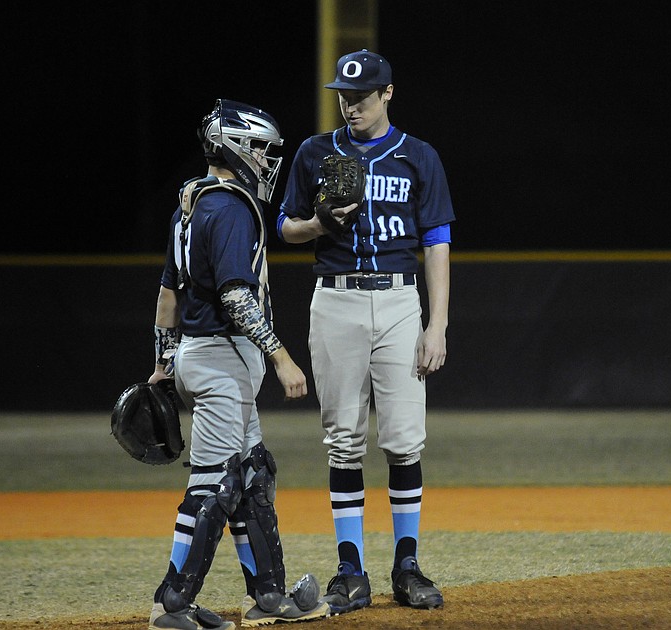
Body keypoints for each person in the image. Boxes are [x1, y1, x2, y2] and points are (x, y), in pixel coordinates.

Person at [277, 49, 455, 614]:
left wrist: (438, 323)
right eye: (343, 95)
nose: (349, 104)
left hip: (401, 299)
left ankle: (407, 565)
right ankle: (350, 569)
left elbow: (437, 242)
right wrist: (318, 224)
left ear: (388, 94)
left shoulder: (419, 156)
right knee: (344, 439)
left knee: (404, 439)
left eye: (361, 95)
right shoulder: (314, 152)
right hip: (336, 300)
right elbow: (285, 226)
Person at [147, 99, 330, 630]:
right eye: (260, 149)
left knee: (252, 475)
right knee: (214, 485)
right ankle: (171, 602)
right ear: (233, 146)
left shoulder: (193, 202)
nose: (267, 160)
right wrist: (283, 357)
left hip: (198, 356)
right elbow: (235, 297)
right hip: (222, 357)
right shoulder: (230, 206)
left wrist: (163, 361)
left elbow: (167, 296)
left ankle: (269, 596)